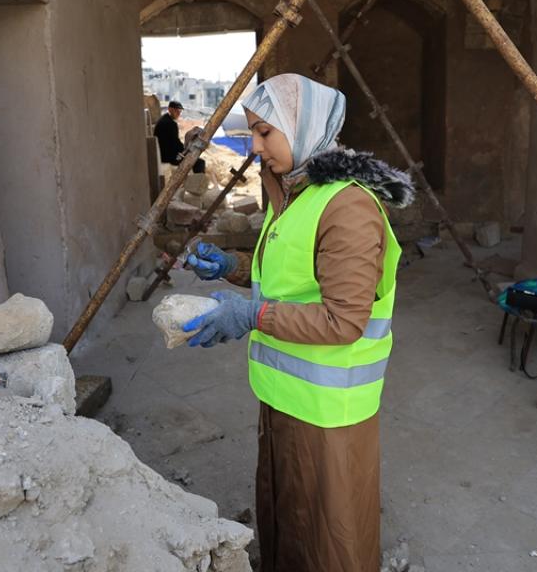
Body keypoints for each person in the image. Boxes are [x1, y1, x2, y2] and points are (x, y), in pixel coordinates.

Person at [181, 73, 414, 572]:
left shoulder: (347, 206)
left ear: (303, 126)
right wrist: (231, 267)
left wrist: (250, 315)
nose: (255, 147)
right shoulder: (296, 194)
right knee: (289, 517)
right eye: (252, 133)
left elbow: (343, 320)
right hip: (285, 396)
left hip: (328, 412)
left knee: (329, 538)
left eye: (265, 132)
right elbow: (288, 281)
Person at [154, 100, 185, 170]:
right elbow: (175, 142)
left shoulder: (164, 119)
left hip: (163, 155)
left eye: (180, 111)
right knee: (199, 162)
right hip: (168, 157)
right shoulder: (170, 123)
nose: (178, 113)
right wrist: (185, 150)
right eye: (176, 111)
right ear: (170, 110)